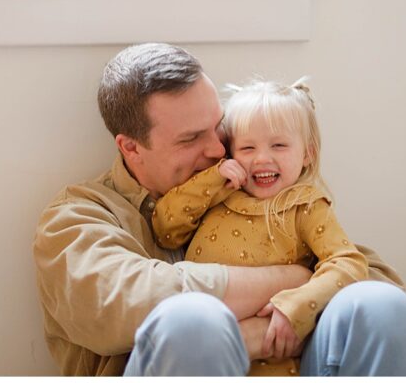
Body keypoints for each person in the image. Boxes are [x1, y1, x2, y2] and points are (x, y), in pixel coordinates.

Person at [32, 43, 406, 375]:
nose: (215, 148)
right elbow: (127, 304)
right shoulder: (78, 216)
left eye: (218, 126)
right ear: (131, 147)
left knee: (382, 307)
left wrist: (302, 303)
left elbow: (369, 273)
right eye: (191, 138)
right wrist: (290, 283)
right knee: (192, 321)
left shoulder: (250, 185)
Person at [152, 78, 376, 375]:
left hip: (273, 360)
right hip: (202, 350)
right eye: (247, 148)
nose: (261, 158)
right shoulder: (219, 193)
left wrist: (297, 305)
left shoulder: (305, 206)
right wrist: (214, 179)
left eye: (279, 145)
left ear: (307, 153)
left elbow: (348, 263)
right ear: (230, 153)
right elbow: (165, 228)